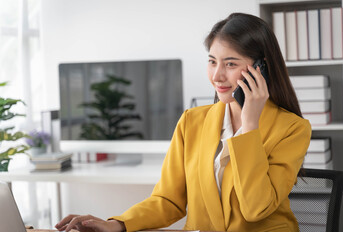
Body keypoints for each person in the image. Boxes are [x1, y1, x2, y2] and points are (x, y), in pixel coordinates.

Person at [56, 12, 311, 232]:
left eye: (230, 63)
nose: (217, 75)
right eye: (212, 62)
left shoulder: (292, 129)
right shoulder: (192, 122)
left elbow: (256, 209)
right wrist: (118, 224)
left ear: (261, 68)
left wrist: (250, 126)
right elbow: (169, 199)